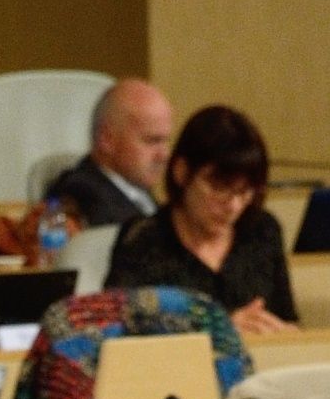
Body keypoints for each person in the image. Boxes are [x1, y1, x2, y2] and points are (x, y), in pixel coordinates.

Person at [110, 103, 292, 328]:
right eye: (219, 188)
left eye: (244, 191)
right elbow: (121, 331)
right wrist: (223, 329)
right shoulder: (142, 239)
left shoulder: (262, 230)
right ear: (182, 172)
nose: (233, 205)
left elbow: (286, 317)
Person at [32, 79, 177, 243]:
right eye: (151, 141)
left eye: (166, 141)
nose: (164, 154)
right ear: (107, 139)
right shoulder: (78, 196)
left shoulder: (141, 193)